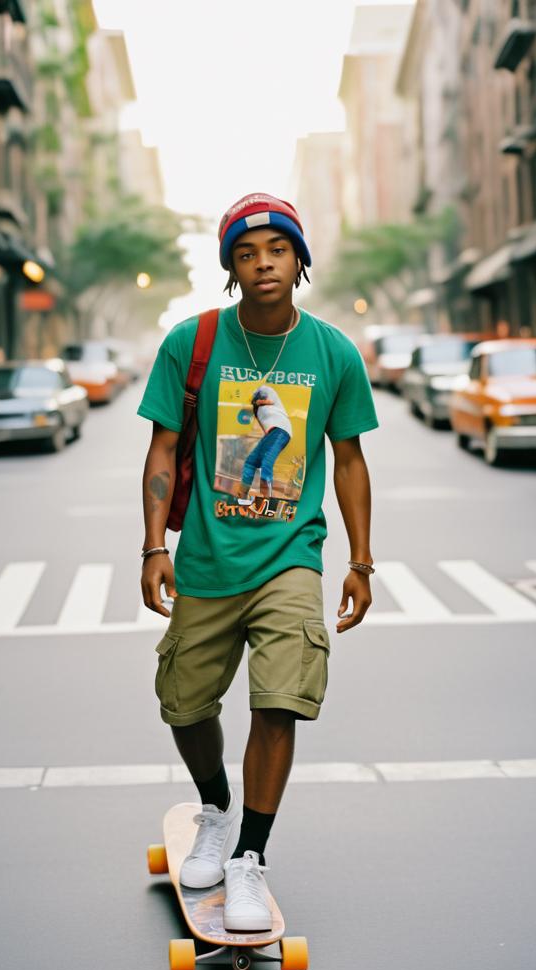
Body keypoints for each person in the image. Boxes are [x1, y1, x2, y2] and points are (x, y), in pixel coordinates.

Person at [138, 193, 377, 931]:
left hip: (291, 559)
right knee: (182, 702)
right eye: (247, 253)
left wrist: (361, 561)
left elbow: (349, 461)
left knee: (280, 699)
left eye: (277, 249)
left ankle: (248, 857)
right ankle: (213, 807)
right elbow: (163, 450)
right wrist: (154, 545)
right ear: (231, 268)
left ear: (299, 259)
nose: (263, 263)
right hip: (207, 558)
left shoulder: (333, 351)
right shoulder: (191, 342)